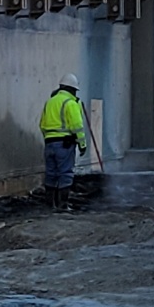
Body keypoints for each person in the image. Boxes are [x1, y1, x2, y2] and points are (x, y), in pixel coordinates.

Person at [39, 73, 87, 210]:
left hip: (49, 144)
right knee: (65, 173)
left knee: (51, 174)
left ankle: (50, 205)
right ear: (72, 89)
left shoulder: (50, 102)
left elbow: (41, 124)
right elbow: (77, 126)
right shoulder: (70, 103)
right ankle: (63, 205)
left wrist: (49, 139)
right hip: (65, 145)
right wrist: (82, 144)